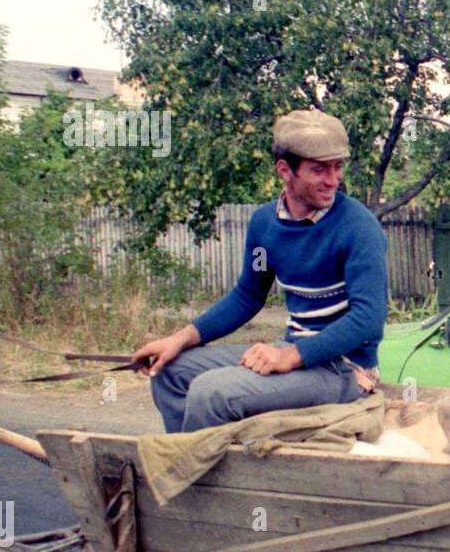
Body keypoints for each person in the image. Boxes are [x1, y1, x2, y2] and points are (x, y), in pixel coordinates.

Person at [134, 109, 388, 433]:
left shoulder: (358, 228)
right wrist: (179, 339)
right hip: (293, 352)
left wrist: (291, 355)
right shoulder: (264, 226)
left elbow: (368, 317)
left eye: (337, 167)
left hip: (343, 368)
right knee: (169, 371)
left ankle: (198, 476)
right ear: (285, 170)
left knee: (211, 393)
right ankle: (197, 465)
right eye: (319, 170)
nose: (333, 180)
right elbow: (248, 294)